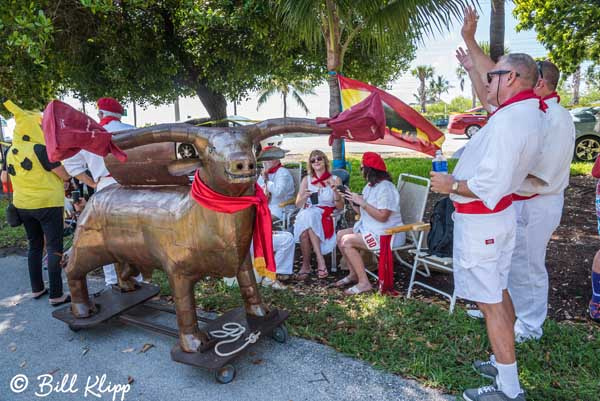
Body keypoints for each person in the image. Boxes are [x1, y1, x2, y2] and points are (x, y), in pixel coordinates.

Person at [431, 50, 545, 400]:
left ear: (511, 78)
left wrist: (451, 186)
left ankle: (509, 390)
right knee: (499, 291)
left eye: (494, 75)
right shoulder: (524, 112)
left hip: (484, 224)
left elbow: (489, 185)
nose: (488, 80)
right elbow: (488, 99)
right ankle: (503, 361)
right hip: (498, 221)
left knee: (490, 303)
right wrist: (471, 67)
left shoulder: (511, 121)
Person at [459, 7, 576, 342]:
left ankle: (530, 324)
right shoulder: (527, 110)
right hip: (517, 198)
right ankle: (502, 310)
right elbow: (490, 91)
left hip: (538, 201)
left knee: (529, 265)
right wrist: (470, 52)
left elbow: (541, 173)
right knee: (509, 261)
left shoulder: (554, 117)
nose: (502, 82)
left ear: (537, 82)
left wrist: (499, 181)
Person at [1, 100, 71, 306]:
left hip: (23, 205)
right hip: (48, 204)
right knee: (54, 246)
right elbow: (64, 175)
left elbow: (4, 178)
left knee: (34, 245)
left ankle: (37, 289)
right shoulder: (41, 149)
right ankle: (56, 294)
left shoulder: (9, 151)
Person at [63, 97, 139, 287]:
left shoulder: (90, 135)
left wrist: (93, 183)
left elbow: (71, 165)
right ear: (119, 115)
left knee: (104, 238)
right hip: (132, 188)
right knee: (133, 235)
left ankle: (112, 281)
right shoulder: (132, 129)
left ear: (100, 114)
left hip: (104, 190)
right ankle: (136, 278)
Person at [335, 152, 405, 295]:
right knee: (340, 235)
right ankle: (353, 273)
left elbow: (383, 217)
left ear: (369, 170)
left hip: (387, 234)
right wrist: (351, 199)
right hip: (372, 228)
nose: (361, 172)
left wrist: (363, 203)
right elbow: (364, 213)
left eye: (362, 169)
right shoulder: (370, 186)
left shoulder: (386, 188)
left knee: (346, 241)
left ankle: (364, 283)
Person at [293, 150, 343, 280]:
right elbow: (298, 204)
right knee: (309, 216)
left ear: (325, 160)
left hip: (327, 215)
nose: (316, 162)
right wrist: (304, 196)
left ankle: (306, 265)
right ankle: (318, 262)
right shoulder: (306, 180)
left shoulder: (335, 180)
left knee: (307, 224)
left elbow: (341, 207)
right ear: (310, 164)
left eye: (319, 158)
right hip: (309, 211)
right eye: (313, 160)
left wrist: (335, 192)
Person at [256, 146, 296, 221]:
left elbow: (278, 193)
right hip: (267, 206)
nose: (265, 162)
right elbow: (257, 189)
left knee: (258, 221)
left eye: (268, 159)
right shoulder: (266, 172)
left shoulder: (282, 172)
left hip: (281, 208)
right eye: (264, 159)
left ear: (277, 159)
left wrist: (266, 181)